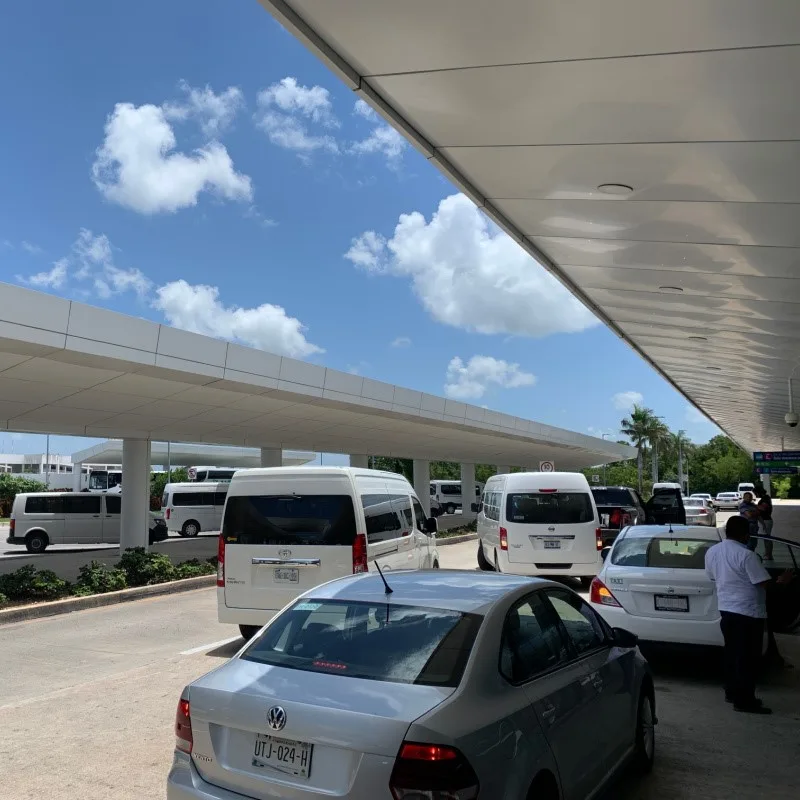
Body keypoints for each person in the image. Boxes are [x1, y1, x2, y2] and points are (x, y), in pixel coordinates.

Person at [704, 516, 790, 714]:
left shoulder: (712, 552)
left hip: (726, 609)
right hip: (748, 612)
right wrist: (782, 581)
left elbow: (711, 576)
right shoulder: (747, 555)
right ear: (745, 534)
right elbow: (762, 582)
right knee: (748, 658)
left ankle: (732, 692)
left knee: (732, 654)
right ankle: (745, 700)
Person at [757, 494, 774, 560]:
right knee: (766, 538)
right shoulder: (768, 504)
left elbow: (762, 509)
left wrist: (754, 506)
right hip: (767, 521)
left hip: (766, 522)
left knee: (767, 538)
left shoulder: (765, 504)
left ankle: (768, 554)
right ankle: (768, 553)